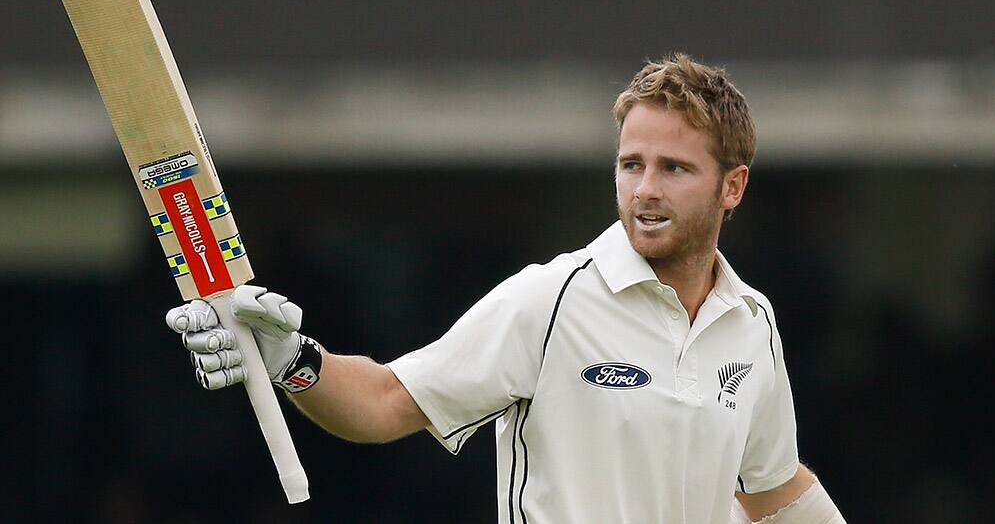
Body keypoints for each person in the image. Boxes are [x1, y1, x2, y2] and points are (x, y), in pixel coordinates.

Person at [166, 53, 846, 523]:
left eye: (674, 169)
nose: (644, 190)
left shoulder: (751, 325)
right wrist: (292, 360)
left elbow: (775, 491)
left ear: (733, 186)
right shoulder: (552, 300)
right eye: (630, 164)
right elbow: (382, 402)